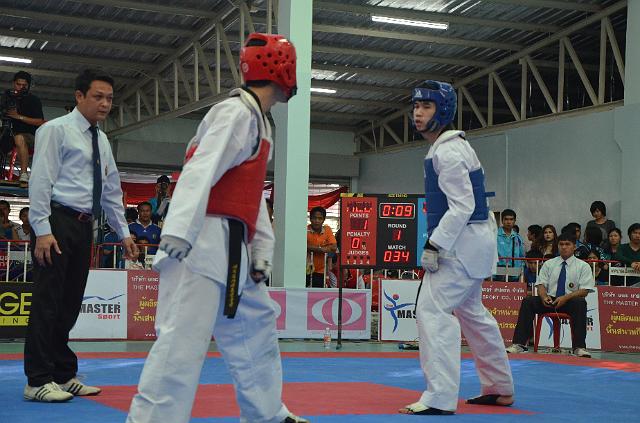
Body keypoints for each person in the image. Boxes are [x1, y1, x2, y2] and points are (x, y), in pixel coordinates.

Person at [127, 33, 308, 423]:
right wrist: (178, 232)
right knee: (181, 343)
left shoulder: (257, 119)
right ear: (284, 69)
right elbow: (200, 169)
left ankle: (266, 413)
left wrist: (261, 253)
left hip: (232, 245)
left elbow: (249, 196)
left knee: (257, 328)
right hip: (202, 240)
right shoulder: (235, 113)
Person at [399, 80, 513, 416]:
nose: (418, 113)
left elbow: (463, 205)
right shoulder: (452, 147)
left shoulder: (448, 151)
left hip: (462, 247)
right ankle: (499, 387)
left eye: (427, 106)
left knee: (432, 311)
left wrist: (434, 244)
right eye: (416, 106)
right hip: (473, 243)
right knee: (473, 316)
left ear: (444, 110)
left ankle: (439, 397)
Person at [24, 69, 138, 402]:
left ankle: (62, 374)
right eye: (98, 96)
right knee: (47, 303)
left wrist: (124, 233)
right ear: (79, 96)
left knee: (70, 303)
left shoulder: (101, 139)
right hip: (56, 222)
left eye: (109, 98)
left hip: (84, 225)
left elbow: (111, 190)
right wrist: (42, 230)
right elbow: (40, 181)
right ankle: (37, 380)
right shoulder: (55, 130)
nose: (105, 104)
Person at [506, 232, 594, 357]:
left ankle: (579, 347)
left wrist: (565, 298)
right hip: (550, 300)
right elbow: (541, 284)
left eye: (567, 244)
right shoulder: (549, 263)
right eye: (561, 244)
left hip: (570, 301)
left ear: (574, 247)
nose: (564, 247)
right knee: (528, 301)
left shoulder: (583, 266)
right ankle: (519, 344)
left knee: (580, 302)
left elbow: (584, 291)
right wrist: (543, 297)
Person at [2, 71, 46, 186]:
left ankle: (24, 174)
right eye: (18, 84)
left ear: (28, 86)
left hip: (29, 136)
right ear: (13, 83)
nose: (21, 87)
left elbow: (40, 121)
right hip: (7, 133)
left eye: (24, 85)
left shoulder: (34, 100)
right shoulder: (6, 97)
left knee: (19, 138)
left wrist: (18, 116)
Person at [306, 206, 337, 288]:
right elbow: (301, 246)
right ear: (310, 219)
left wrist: (311, 248)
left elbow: (333, 247)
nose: (317, 221)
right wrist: (322, 249)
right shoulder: (305, 230)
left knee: (317, 294)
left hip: (320, 271)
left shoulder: (327, 230)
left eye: (320, 218)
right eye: (314, 218)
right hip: (305, 269)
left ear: (323, 220)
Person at [495, 209, 525, 280]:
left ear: (514, 221)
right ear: (502, 220)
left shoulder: (517, 237)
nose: (508, 222)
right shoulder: (495, 235)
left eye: (511, 219)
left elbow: (522, 257)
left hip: (514, 274)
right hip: (497, 274)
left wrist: (521, 272)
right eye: (506, 219)